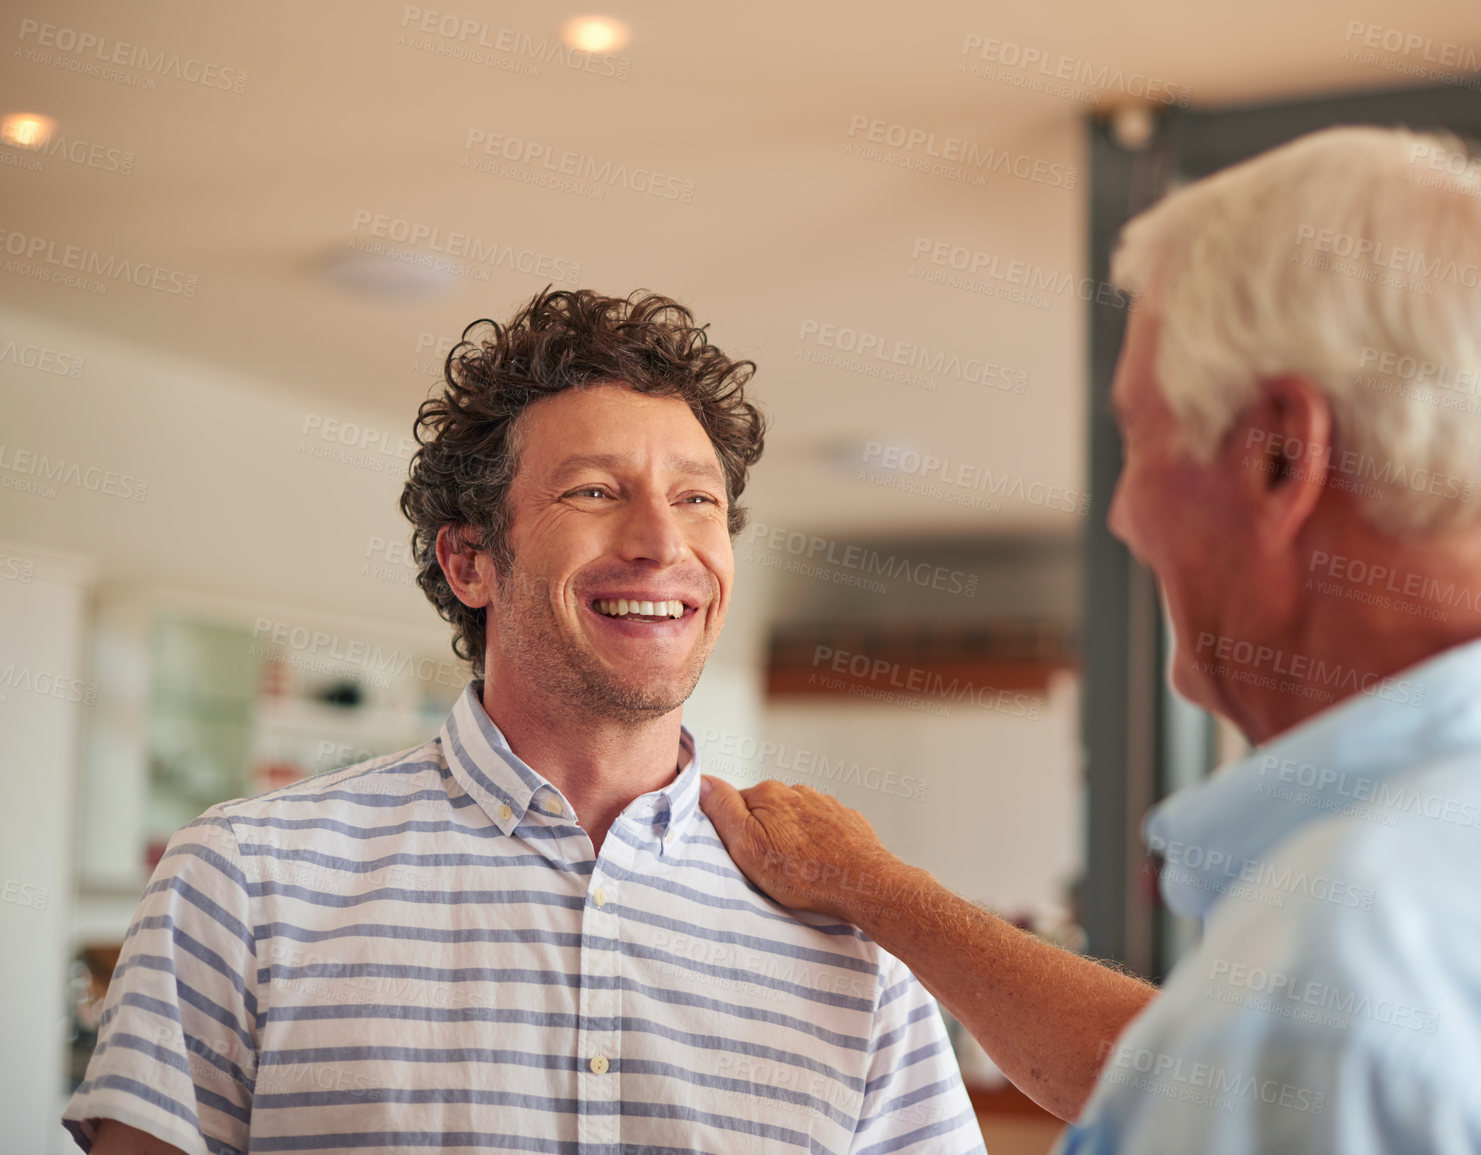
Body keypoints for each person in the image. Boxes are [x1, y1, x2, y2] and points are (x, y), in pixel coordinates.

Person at [698, 126, 1481, 1152]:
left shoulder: (1342, 980)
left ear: (1282, 457)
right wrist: (883, 892)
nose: (1124, 514)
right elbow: (1193, 1067)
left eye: (1141, 439)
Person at [66, 289, 986, 1154]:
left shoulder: (854, 934)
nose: (663, 543)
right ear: (470, 561)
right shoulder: (242, 881)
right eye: (592, 491)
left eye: (696, 497)